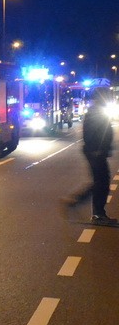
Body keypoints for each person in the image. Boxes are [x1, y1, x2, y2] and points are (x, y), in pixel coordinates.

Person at [64, 87, 116, 225]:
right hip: (95, 152)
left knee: (100, 182)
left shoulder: (98, 110)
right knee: (102, 182)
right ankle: (97, 213)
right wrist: (97, 149)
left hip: (97, 151)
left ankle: (82, 205)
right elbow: (91, 133)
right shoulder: (95, 111)